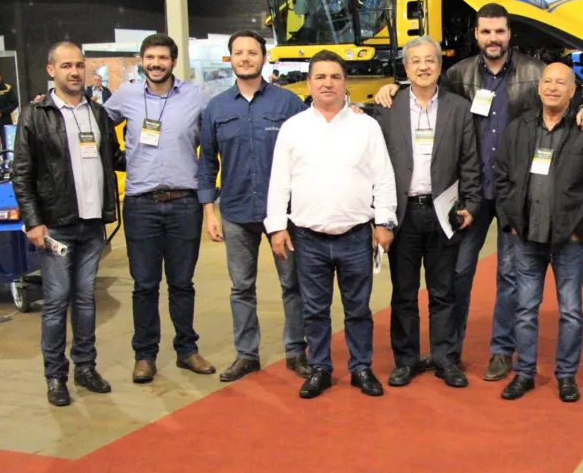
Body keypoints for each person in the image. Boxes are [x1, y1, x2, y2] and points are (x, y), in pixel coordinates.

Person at [375, 3, 583, 382]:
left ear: (509, 34)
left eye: (499, 31)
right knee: (458, 272)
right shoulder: (459, 74)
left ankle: (501, 350)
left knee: (509, 276)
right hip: (470, 192)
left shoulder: (534, 71)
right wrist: (391, 88)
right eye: (485, 32)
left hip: (516, 191)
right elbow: (425, 93)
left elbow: (570, 88)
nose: (492, 38)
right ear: (476, 35)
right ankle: (450, 351)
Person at [266, 50, 397, 399]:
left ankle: (361, 367)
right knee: (314, 310)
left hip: (356, 236)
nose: (328, 83)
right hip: (307, 237)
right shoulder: (293, 128)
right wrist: (276, 227)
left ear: (345, 82)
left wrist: (385, 221)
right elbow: (279, 182)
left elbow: (383, 177)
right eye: (320, 77)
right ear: (309, 83)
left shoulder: (366, 126)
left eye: (335, 77)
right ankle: (320, 368)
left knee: (358, 309)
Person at [493, 63, 583, 402]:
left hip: (568, 240)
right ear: (539, 87)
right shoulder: (519, 128)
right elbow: (502, 175)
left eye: (560, 83)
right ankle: (524, 373)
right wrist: (510, 221)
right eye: (547, 81)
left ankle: (566, 375)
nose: (552, 87)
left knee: (571, 311)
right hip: (526, 236)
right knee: (525, 309)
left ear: (573, 91)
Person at [11, 41, 126, 406]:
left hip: (92, 224)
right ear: (51, 71)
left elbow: (114, 157)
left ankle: (86, 368)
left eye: (79, 65)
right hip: (56, 225)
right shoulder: (34, 115)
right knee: (57, 301)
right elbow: (21, 174)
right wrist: (33, 221)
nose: (74, 72)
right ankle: (55, 377)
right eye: (66, 66)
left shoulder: (97, 113)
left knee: (86, 300)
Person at [199, 30, 311, 383]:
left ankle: (296, 351)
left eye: (252, 52)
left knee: (293, 284)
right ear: (230, 59)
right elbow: (207, 163)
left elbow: (311, 149)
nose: (245, 58)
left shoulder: (288, 104)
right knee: (241, 287)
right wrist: (209, 211)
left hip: (283, 215)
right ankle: (246, 354)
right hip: (235, 211)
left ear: (264, 57)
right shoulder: (216, 108)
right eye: (239, 53)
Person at [104, 33, 216, 384]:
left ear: (173, 61)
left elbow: (214, 138)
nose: (156, 64)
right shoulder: (126, 96)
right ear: (142, 60)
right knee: (144, 284)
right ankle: (145, 355)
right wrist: (117, 159)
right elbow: (94, 124)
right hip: (141, 205)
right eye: (150, 58)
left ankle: (187, 350)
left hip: (184, 204)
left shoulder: (196, 97)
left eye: (163, 58)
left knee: (182, 283)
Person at [374, 36, 482, 388]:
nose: (423, 67)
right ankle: (406, 361)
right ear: (406, 68)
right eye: (415, 61)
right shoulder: (387, 107)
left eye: (429, 60)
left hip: (443, 212)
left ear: (439, 66)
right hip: (403, 213)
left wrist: (471, 204)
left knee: (443, 292)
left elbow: (469, 160)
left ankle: (445, 359)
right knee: (403, 293)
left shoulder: (458, 108)